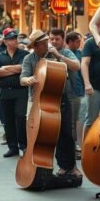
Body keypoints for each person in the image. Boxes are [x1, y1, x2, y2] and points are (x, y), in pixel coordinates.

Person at [20, 30, 79, 177]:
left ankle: (71, 166)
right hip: (38, 101)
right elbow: (22, 78)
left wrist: (59, 56)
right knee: (48, 134)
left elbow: (76, 66)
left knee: (67, 133)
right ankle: (47, 166)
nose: (48, 44)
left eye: (48, 41)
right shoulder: (29, 59)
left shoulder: (61, 52)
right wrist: (28, 80)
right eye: (44, 43)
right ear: (35, 46)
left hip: (61, 99)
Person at [0, 29, 29, 158]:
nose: (14, 40)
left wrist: (6, 68)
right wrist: (15, 70)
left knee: (20, 117)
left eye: (15, 38)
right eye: (11, 39)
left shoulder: (24, 54)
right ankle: (12, 147)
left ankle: (23, 145)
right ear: (5, 41)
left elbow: (24, 68)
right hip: (5, 92)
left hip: (21, 91)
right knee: (8, 120)